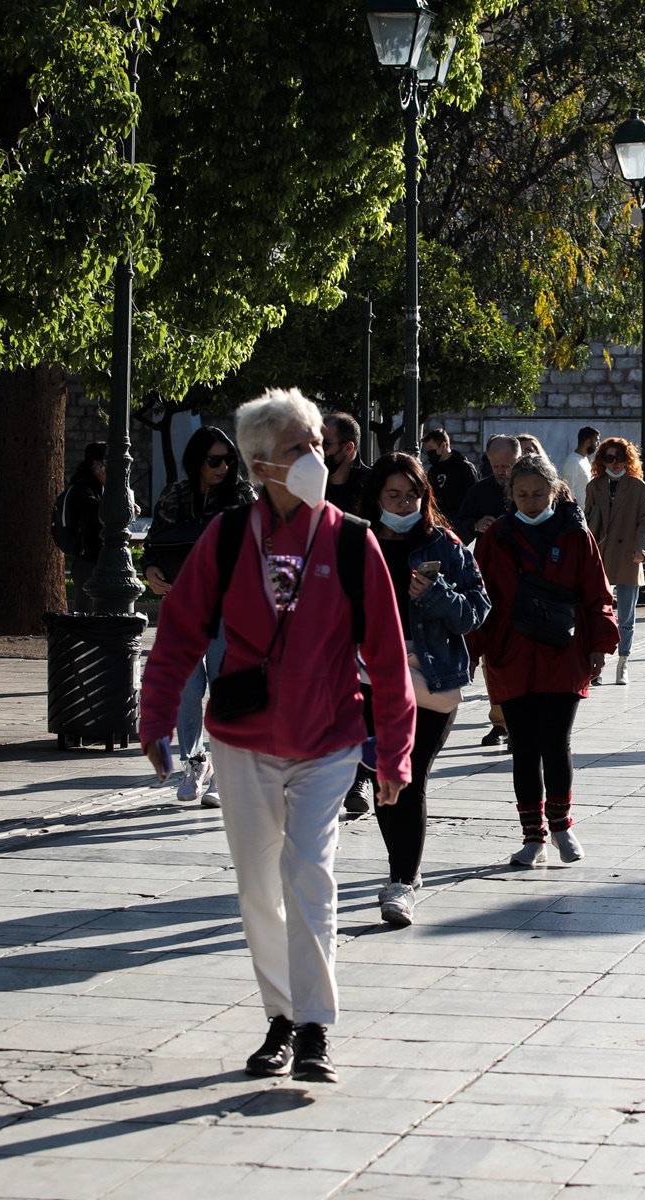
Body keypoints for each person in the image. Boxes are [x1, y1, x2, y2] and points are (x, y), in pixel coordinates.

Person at [138, 388, 414, 1085]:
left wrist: (395, 752)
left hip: (327, 741)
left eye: (318, 443)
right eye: (299, 448)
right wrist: (155, 716)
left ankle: (316, 1025)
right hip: (243, 740)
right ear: (261, 465)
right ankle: (281, 1018)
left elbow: (386, 653)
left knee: (310, 876)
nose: (316, 457)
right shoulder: (229, 537)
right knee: (260, 886)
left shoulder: (353, 541)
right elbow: (177, 634)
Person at [357, 453, 490, 927]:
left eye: (411, 494)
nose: (403, 502)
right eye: (393, 495)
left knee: (408, 774)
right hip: (366, 673)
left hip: (428, 675)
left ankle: (401, 882)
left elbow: (478, 610)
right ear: (376, 497)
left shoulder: (445, 543)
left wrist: (433, 596)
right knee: (381, 775)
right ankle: (403, 873)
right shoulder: (357, 540)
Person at [467, 454, 618, 867]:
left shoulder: (576, 534)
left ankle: (562, 826)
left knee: (556, 742)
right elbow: (480, 599)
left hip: (563, 651)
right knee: (523, 747)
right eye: (521, 495)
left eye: (537, 493)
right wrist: (469, 650)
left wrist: (600, 646)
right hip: (510, 652)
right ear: (509, 495)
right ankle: (532, 835)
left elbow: (597, 592)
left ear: (554, 491)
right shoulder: (495, 536)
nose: (530, 501)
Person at [143, 427, 256, 805]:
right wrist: (150, 570)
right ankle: (195, 762)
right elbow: (155, 542)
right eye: (214, 460)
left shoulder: (242, 496)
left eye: (228, 459)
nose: (223, 466)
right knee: (187, 692)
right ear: (197, 461)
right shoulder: (174, 496)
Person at [453, 434, 521, 748]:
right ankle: (501, 720)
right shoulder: (481, 490)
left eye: (507, 465)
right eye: (495, 466)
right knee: (495, 654)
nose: (501, 472)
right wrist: (477, 524)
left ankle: (524, 717)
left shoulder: (532, 486)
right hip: (489, 580)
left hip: (526, 584)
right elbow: (460, 522)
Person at [584, 437, 645, 685]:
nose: (615, 463)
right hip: (601, 556)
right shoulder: (595, 486)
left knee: (626, 617)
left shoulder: (638, 487)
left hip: (628, 557)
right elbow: (587, 520)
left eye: (620, 458)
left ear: (628, 459)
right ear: (602, 460)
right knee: (599, 613)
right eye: (609, 458)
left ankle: (623, 662)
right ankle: (597, 664)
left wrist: (641, 549)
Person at [63, 442, 107, 612]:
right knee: (87, 613)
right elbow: (102, 515)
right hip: (88, 559)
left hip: (105, 557)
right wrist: (108, 485)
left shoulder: (102, 487)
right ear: (96, 464)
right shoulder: (83, 487)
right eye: (107, 460)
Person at [422, 428, 479, 520]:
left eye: (431, 449)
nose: (429, 453)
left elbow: (473, 498)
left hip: (460, 524)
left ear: (443, 445)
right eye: (428, 450)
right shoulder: (433, 471)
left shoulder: (464, 468)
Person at [321, 413, 373, 512]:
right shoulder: (311, 482)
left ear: (348, 448)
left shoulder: (373, 484)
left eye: (325, 444)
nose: (318, 451)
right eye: (315, 443)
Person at [561, 426, 599, 492]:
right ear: (588, 442)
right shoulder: (573, 462)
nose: (598, 444)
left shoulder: (584, 459)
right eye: (596, 441)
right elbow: (568, 490)